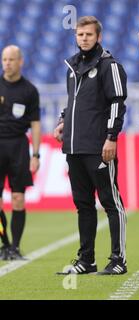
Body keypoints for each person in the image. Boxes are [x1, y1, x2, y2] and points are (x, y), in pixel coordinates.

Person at [53, 16, 128, 275]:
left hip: (98, 146)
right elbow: (73, 101)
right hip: (74, 147)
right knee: (83, 205)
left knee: (110, 202)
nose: (84, 38)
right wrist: (63, 120)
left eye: (89, 34)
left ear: (98, 37)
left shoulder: (110, 66)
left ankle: (118, 260)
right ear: (75, 36)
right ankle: (87, 260)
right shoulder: (72, 67)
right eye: (80, 34)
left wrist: (111, 137)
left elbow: (118, 103)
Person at [0, 45, 40, 260]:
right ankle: (4, 243)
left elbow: (35, 124)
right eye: (4, 59)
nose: (7, 63)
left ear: (20, 61)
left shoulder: (29, 90)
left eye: (11, 59)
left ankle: (15, 246)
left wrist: (36, 154)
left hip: (18, 147)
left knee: (17, 198)